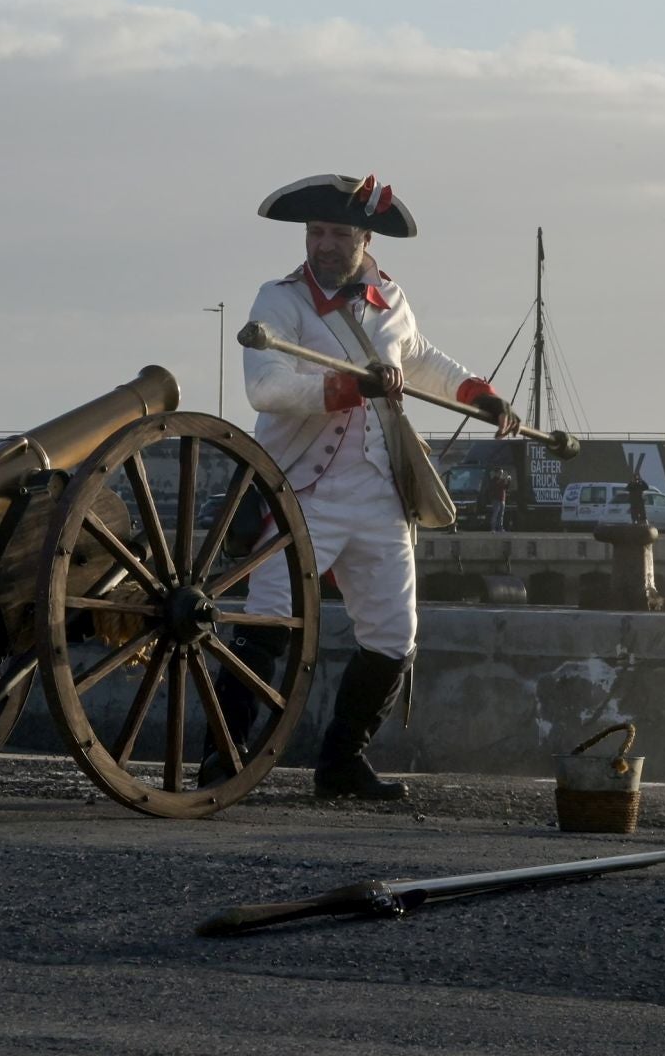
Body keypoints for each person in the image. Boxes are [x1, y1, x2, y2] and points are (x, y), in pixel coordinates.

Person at [208, 172, 521, 802]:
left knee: (392, 637)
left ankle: (342, 763)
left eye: (339, 233)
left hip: (379, 496)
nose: (324, 244)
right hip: (302, 495)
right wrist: (349, 387)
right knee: (267, 626)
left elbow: (420, 356)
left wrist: (478, 395)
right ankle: (222, 763)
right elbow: (265, 389)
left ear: (365, 237)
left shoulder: (390, 298)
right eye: (316, 231)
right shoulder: (278, 302)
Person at [487, 466, 512, 533]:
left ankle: (500, 528)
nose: (501, 474)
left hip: (502, 499)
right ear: (496, 473)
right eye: (500, 472)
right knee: (495, 514)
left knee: (501, 515)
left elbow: (506, 488)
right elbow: (495, 487)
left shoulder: (502, 480)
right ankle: (493, 528)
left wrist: (509, 481)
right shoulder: (493, 480)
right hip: (496, 500)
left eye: (502, 473)